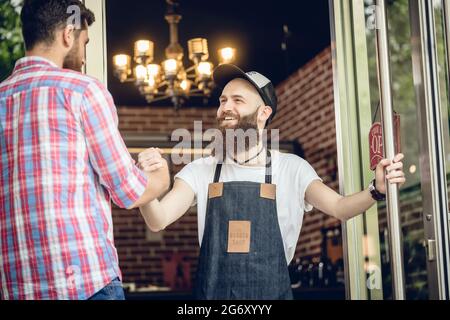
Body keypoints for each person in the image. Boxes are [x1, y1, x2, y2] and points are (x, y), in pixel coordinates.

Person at [137, 64, 406, 300]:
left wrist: (376, 190)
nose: (225, 108)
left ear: (264, 113)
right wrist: (147, 187)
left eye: (237, 100)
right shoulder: (201, 170)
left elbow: (339, 207)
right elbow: (158, 220)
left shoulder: (291, 168)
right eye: (222, 100)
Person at [0, 0, 169, 300]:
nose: (84, 54)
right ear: (68, 35)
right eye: (85, 42)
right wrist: (160, 177)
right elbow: (128, 191)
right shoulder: (81, 90)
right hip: (85, 286)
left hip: (14, 289)